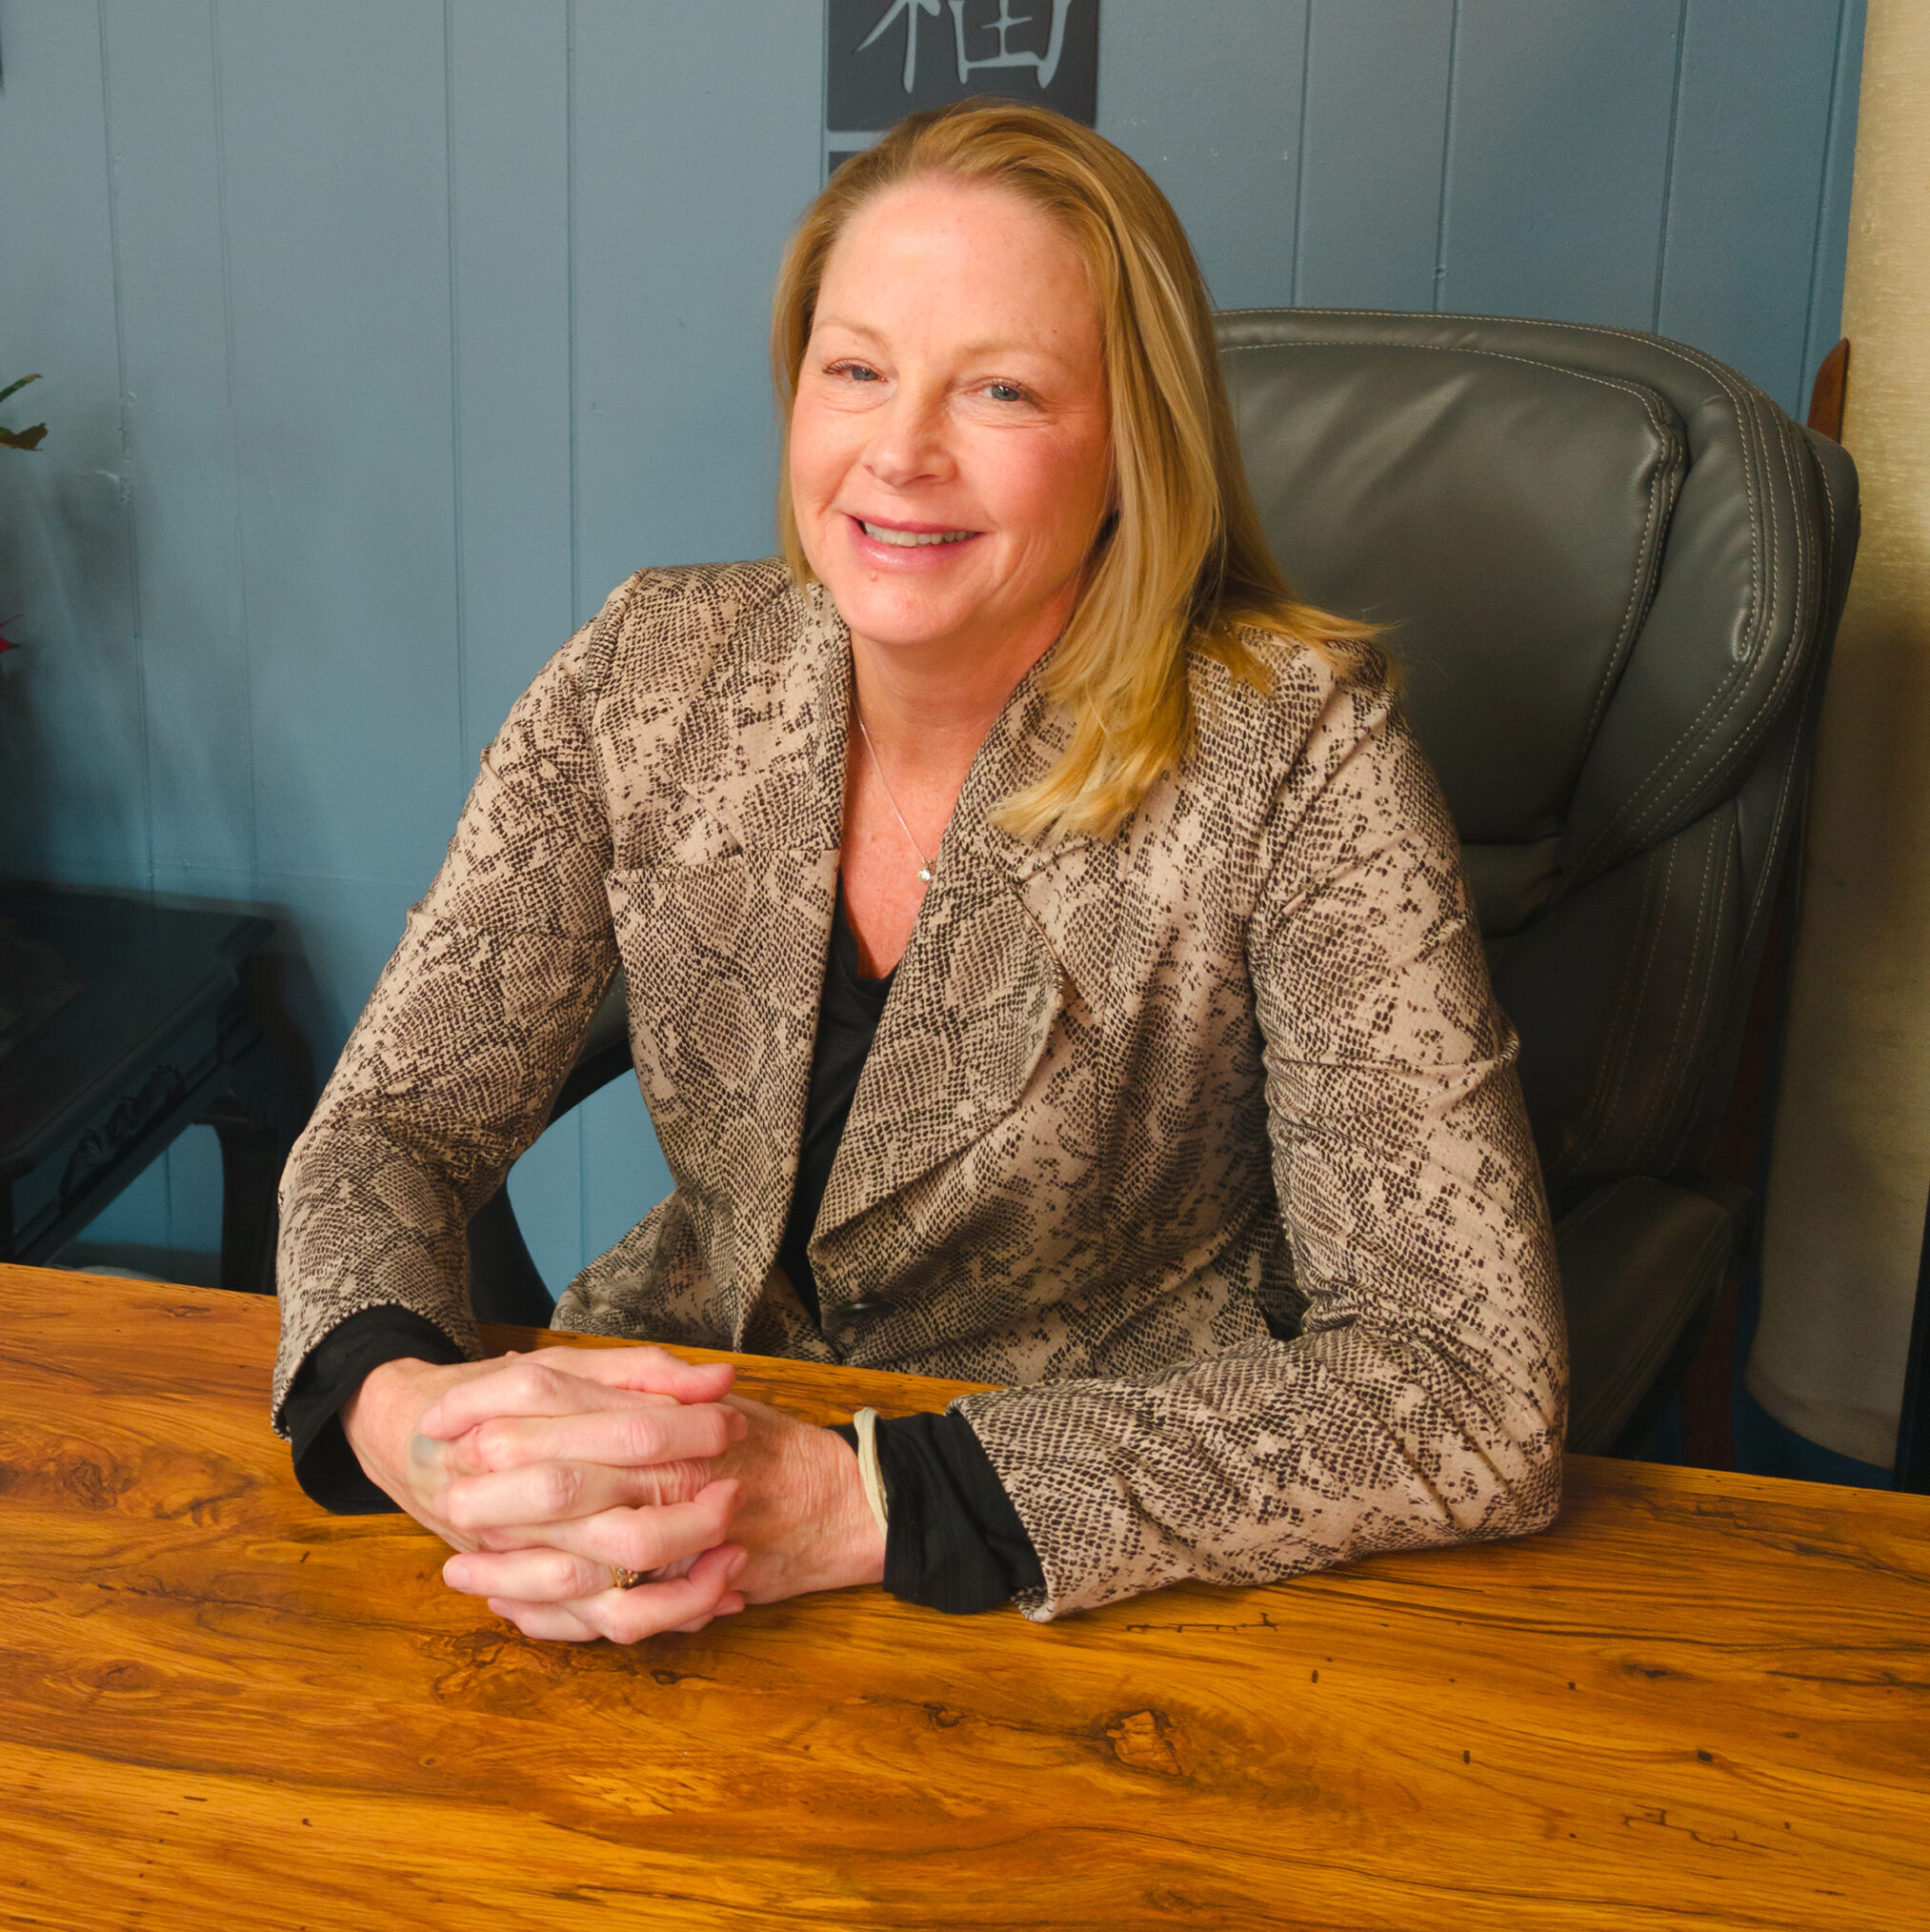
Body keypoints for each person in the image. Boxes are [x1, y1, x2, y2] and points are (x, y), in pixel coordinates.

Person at [272, 101, 1566, 1642]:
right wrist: (403, 1412)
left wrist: (859, 1500)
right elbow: (387, 1127)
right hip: (655, 1476)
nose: (899, 453)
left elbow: (1468, 1378)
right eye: (856, 370)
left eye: (1001, 390)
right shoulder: (650, 668)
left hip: (1084, 1560)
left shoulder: (1294, 751)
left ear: (1129, 443)